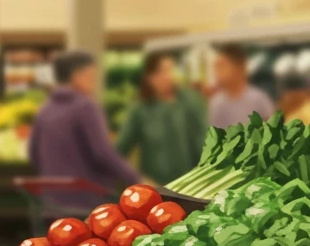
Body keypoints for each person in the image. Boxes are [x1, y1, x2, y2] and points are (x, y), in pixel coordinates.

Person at [29, 50, 139, 215]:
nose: (94, 82)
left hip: (52, 204)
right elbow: (102, 154)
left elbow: (34, 153)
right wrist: (135, 179)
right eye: (91, 76)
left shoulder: (45, 109)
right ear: (77, 75)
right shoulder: (86, 107)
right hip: (87, 203)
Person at [115, 53, 207, 187]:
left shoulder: (191, 102)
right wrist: (136, 178)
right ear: (150, 78)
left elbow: (203, 144)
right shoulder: (140, 110)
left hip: (189, 188)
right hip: (155, 189)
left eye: (170, 70)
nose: (168, 76)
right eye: (161, 71)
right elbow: (120, 151)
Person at [208, 44, 275, 129]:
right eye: (216, 68)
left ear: (239, 67)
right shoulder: (216, 104)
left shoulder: (259, 100)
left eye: (222, 67)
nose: (217, 73)